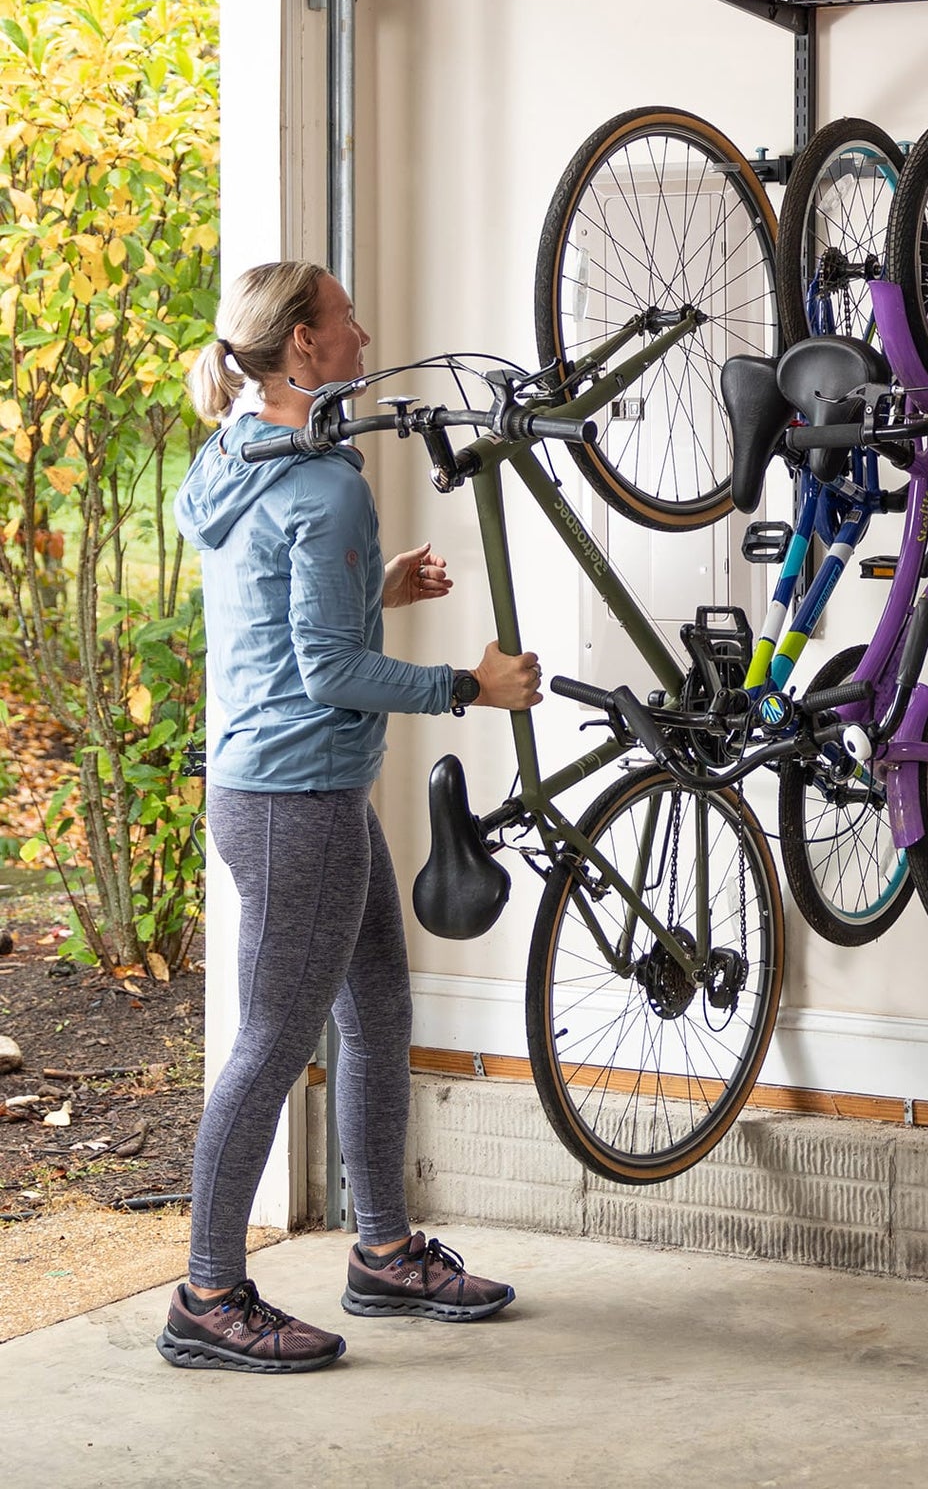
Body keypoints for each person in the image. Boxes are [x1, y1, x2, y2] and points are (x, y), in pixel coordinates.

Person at [161, 261, 538, 1374]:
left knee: (376, 1005)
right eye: (343, 318)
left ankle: (382, 1248)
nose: (364, 328)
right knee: (276, 1038)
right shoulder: (325, 484)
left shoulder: (234, 455)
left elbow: (276, 618)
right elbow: (328, 672)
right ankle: (208, 1292)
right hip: (298, 799)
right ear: (301, 351)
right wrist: (470, 686)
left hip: (280, 787)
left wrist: (372, 583)